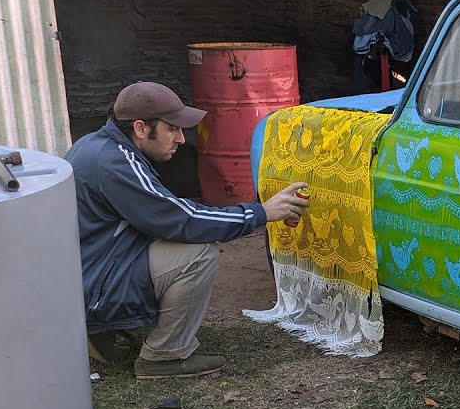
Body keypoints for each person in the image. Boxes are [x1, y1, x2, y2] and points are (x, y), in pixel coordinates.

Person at [65, 81, 310, 378]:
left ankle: (100, 328)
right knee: (197, 252)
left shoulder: (95, 145)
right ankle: (164, 355)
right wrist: (260, 213)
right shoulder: (115, 162)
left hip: (82, 277)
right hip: (94, 284)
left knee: (170, 238)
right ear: (141, 128)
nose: (181, 138)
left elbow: (163, 213)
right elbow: (183, 220)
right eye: (172, 129)